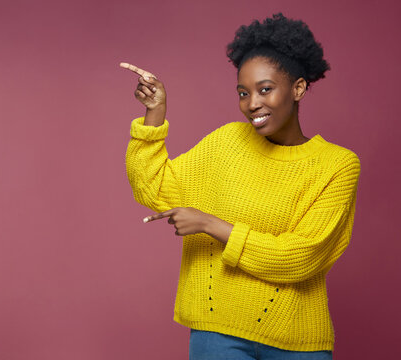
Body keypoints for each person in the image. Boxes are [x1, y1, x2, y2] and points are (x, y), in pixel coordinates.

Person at [121, 13, 359, 359]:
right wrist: (154, 114)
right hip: (217, 332)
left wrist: (209, 224)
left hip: (297, 341)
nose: (252, 104)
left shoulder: (337, 165)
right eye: (243, 92)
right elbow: (153, 188)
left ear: (298, 88)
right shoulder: (227, 142)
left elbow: (302, 257)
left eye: (265, 89)